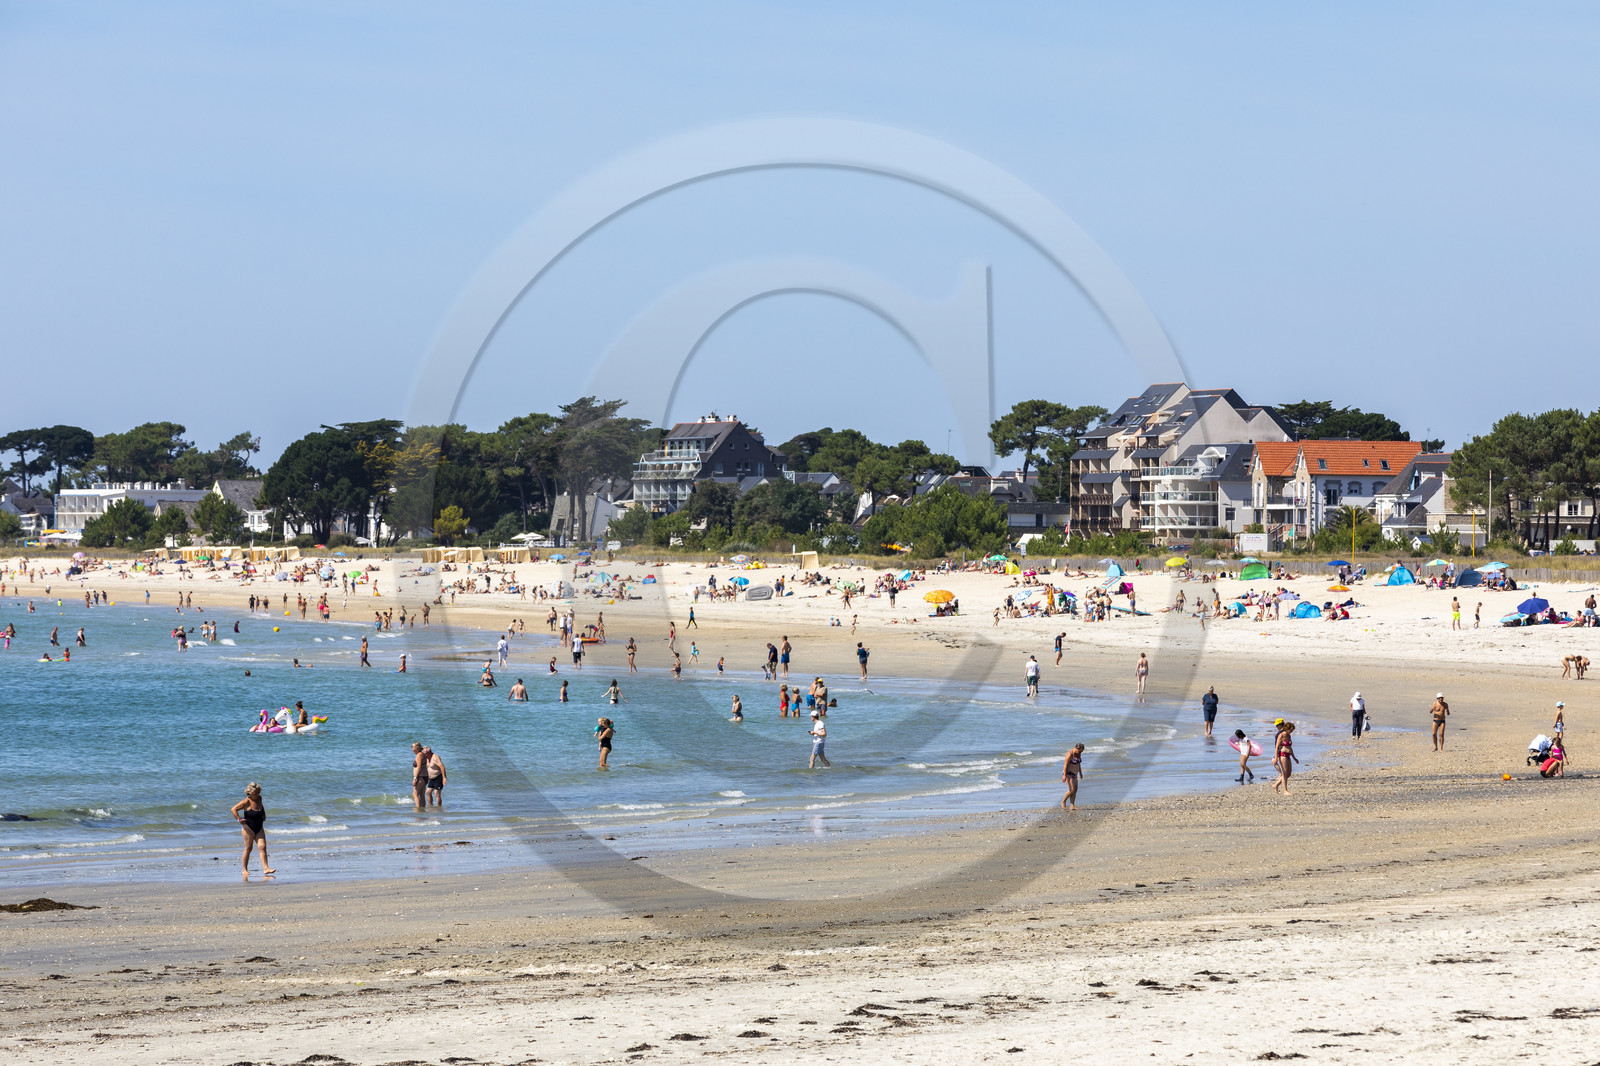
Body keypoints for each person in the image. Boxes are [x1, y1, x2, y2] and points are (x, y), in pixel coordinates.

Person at [230, 783, 274, 880]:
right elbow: (233, 809)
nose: (257, 794)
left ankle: (266, 868)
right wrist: (239, 819)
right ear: (250, 792)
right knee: (248, 848)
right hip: (248, 828)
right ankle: (244, 869)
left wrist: (264, 815)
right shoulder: (246, 801)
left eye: (258, 792)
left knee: (262, 847)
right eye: (255, 793)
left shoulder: (259, 798)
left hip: (259, 827)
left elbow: (261, 806)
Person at [1272, 721, 1298, 794]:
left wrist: (1294, 758)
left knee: (1288, 773)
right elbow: (1276, 747)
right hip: (1282, 754)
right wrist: (1276, 758)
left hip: (1288, 755)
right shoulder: (1281, 735)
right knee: (1284, 773)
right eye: (1290, 730)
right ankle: (1285, 791)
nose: (1291, 732)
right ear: (1287, 729)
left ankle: (1276, 785)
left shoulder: (1289, 736)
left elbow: (1290, 748)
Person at [1061, 743, 1084, 810]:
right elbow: (1065, 765)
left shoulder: (1078, 753)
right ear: (1076, 748)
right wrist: (1064, 775)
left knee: (1075, 790)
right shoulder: (1070, 754)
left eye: (1081, 751)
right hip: (1068, 773)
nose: (1080, 752)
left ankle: (1072, 805)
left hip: (1075, 774)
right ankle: (1063, 801)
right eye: (1079, 751)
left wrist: (1080, 773)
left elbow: (1078, 764)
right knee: (1072, 790)